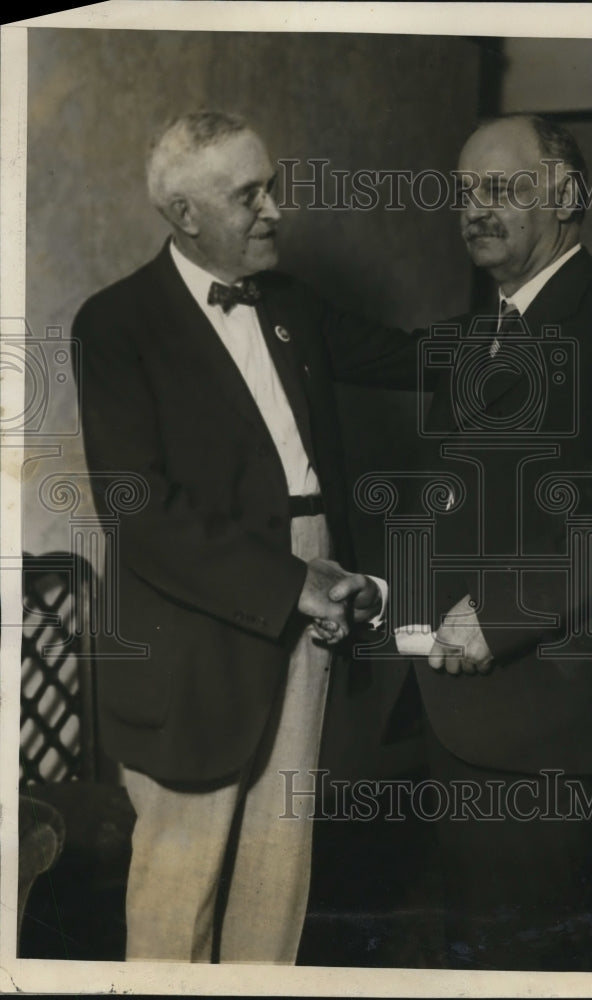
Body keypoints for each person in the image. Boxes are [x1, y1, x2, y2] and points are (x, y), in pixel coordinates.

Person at [73, 110, 422, 964]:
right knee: (176, 896)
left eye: (273, 186)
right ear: (186, 216)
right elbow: (138, 512)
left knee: (280, 868)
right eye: (248, 195)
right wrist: (290, 585)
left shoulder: (294, 303)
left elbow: (412, 357)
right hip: (196, 631)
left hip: (320, 593)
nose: (275, 209)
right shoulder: (115, 325)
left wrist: (534, 333)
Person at [393, 114, 592, 968]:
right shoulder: (470, 336)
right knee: (474, 951)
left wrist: (499, 617)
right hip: (457, 719)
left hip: (549, 732)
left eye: (499, 186)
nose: (474, 209)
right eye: (464, 192)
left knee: (527, 965)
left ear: (565, 194)